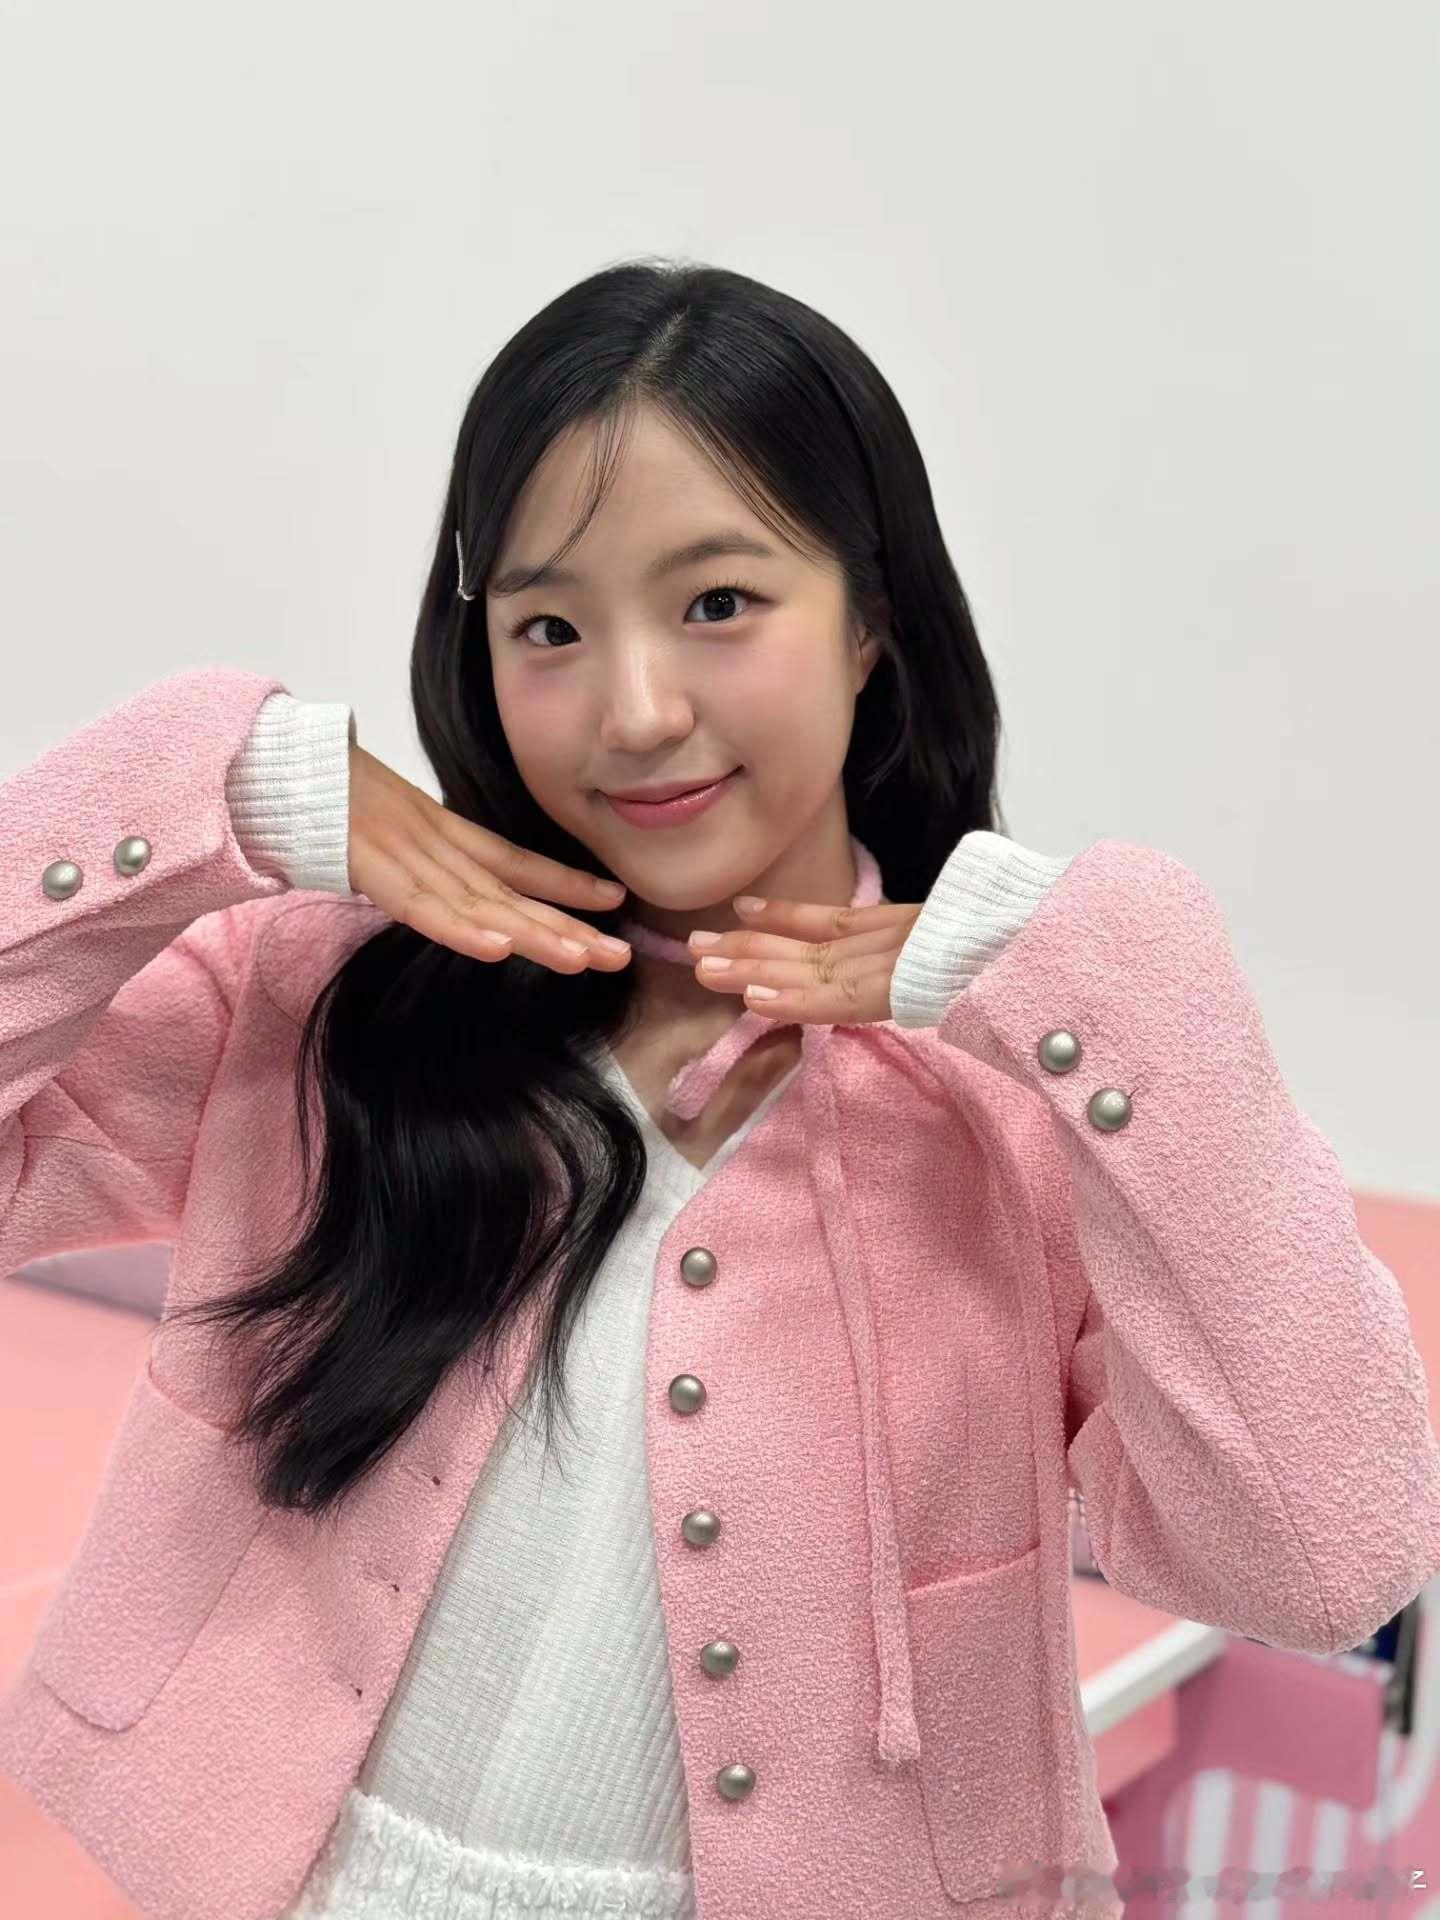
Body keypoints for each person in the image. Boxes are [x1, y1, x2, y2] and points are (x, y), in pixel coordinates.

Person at [3, 257, 1439, 1920]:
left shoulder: (1032, 1109)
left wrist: (1121, 978)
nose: (636, 713)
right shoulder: (321, 997)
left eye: (719, 604)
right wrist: (209, 778)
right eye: (551, 627)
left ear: (871, 619)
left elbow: (1326, 1563)